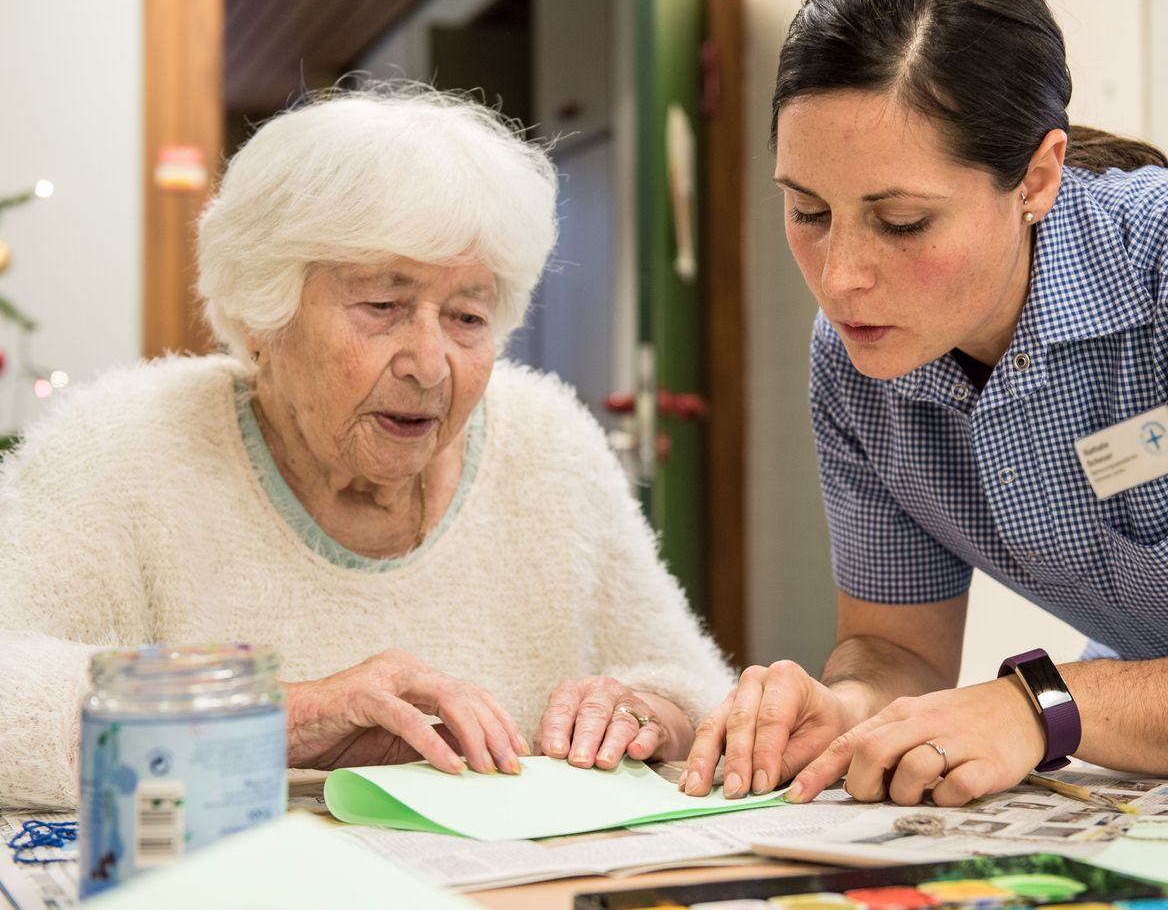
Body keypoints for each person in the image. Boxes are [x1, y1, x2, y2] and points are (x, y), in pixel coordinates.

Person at [681, 0, 1168, 807]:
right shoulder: (860, 354)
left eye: (902, 223)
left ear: (1037, 177)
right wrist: (846, 709)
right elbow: (898, 650)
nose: (840, 279)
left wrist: (1039, 706)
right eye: (807, 212)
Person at [0, 84, 732, 810]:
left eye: (467, 316)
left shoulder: (548, 442)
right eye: (382, 306)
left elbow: (693, 686)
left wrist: (645, 714)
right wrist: (287, 717)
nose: (430, 362)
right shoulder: (122, 446)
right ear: (264, 312)